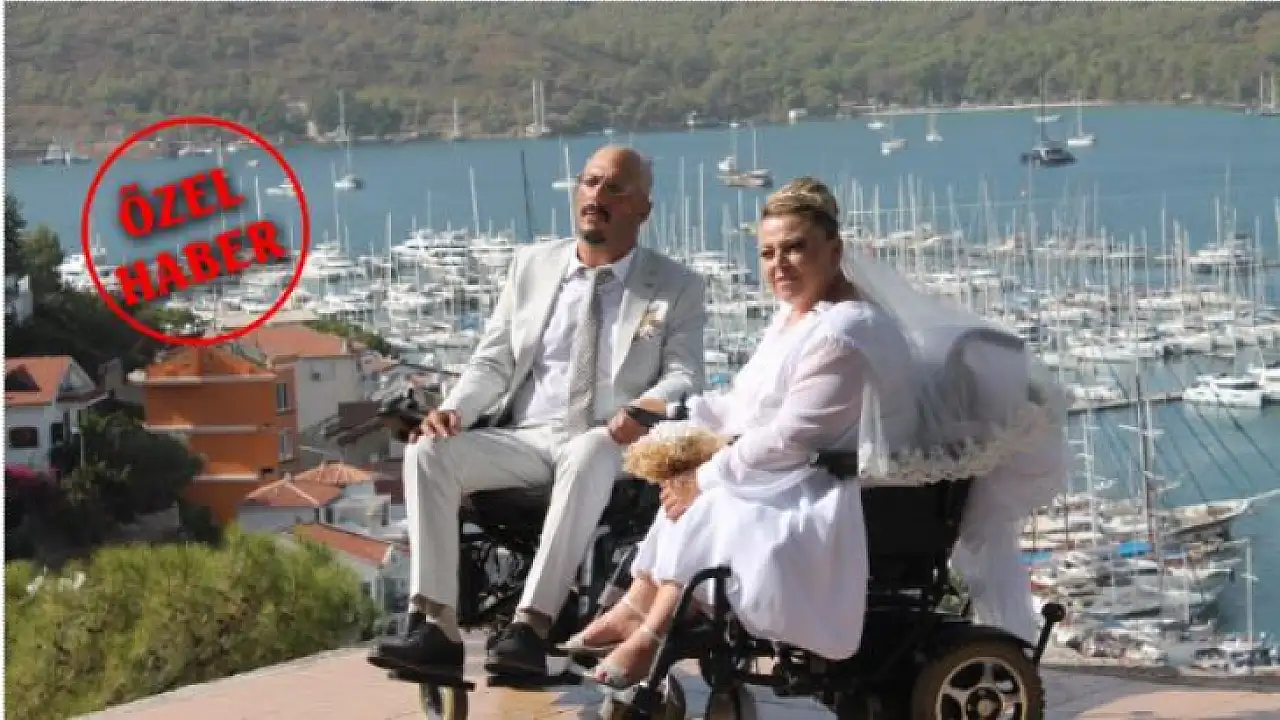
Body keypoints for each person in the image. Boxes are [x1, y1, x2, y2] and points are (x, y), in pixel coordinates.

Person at [563, 177, 923, 687]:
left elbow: (789, 438)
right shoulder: (797, 316)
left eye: (795, 248)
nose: (779, 265)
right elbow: (744, 403)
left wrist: (702, 476)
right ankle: (637, 606)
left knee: (711, 500)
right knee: (690, 494)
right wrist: (681, 426)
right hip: (788, 472)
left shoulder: (846, 332)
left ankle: (653, 630)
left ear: (834, 250)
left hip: (822, 488)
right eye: (768, 253)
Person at [368, 145, 707, 678]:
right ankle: (434, 626)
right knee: (429, 451)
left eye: (614, 187)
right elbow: (494, 361)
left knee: (589, 450)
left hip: (611, 439)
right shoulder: (532, 265)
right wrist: (454, 411)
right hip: (528, 436)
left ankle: (531, 626)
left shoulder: (675, 285)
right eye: (590, 182)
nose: (596, 195)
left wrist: (644, 407)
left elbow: (686, 374)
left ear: (642, 208)